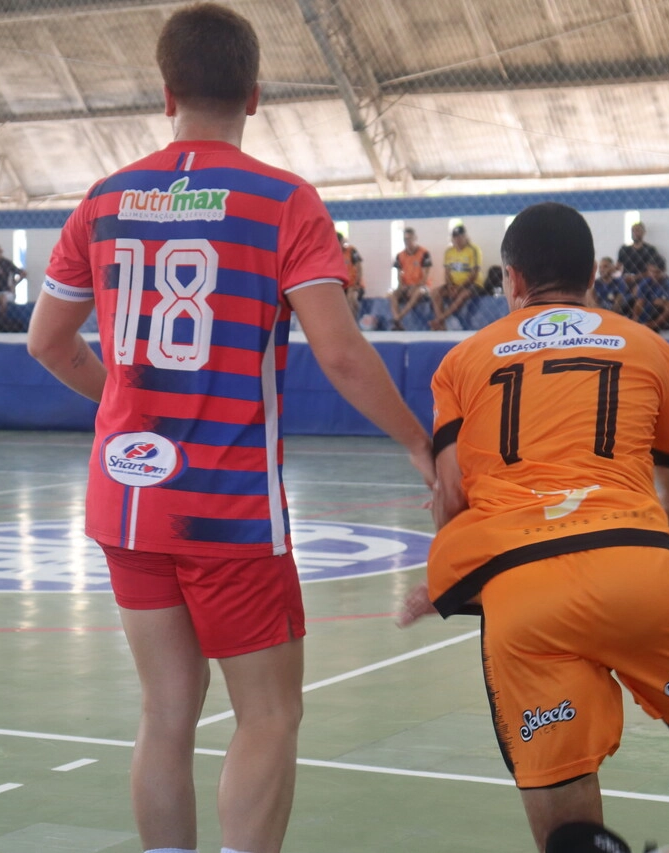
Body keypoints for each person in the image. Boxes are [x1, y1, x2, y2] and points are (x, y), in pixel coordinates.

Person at [25, 6, 434, 853]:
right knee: (270, 712)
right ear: (254, 96)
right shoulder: (283, 202)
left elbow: (47, 343)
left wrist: (125, 408)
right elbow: (343, 354)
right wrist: (421, 443)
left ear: (166, 91)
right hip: (230, 509)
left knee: (166, 713)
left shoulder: (101, 202)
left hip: (127, 498)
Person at [398, 203, 669, 853]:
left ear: (512, 280)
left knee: (563, 811)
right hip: (640, 569)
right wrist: (620, 533)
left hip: (525, 594)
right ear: (592, 277)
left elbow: (452, 501)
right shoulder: (649, 348)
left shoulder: (461, 362)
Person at [431, 224, 482, 330]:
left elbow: (474, 273)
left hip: (472, 284)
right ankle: (442, 326)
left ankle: (439, 320)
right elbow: (447, 272)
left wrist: (459, 288)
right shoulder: (449, 251)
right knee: (435, 292)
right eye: (455, 237)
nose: (458, 240)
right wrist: (450, 286)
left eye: (460, 236)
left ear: (465, 237)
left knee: (463, 295)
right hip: (454, 284)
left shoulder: (473, 250)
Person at [390, 226, 432, 329]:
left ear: (415, 238)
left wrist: (415, 287)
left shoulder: (424, 253)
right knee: (393, 294)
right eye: (405, 239)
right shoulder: (400, 255)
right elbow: (399, 275)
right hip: (406, 286)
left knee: (418, 292)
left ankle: (398, 318)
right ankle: (397, 321)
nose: (407, 242)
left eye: (409, 239)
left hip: (422, 286)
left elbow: (425, 276)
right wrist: (401, 287)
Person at [630, 254, 669, 331]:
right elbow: (639, 304)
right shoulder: (646, 282)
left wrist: (651, 325)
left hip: (668, 321)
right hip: (647, 317)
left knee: (657, 307)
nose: (653, 275)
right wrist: (634, 323)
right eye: (651, 271)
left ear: (664, 270)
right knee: (629, 301)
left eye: (657, 272)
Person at [0, 242, 27, 332]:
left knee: (2, 297)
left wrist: (14, 284)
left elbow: (23, 273)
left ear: (0, 252)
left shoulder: (7, 263)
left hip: (5, 292)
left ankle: (1, 321)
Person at [339, 231, 364, 318]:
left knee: (351, 298)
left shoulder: (351, 251)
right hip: (340, 286)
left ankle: (352, 321)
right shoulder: (333, 254)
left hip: (354, 284)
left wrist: (356, 284)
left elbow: (359, 268)